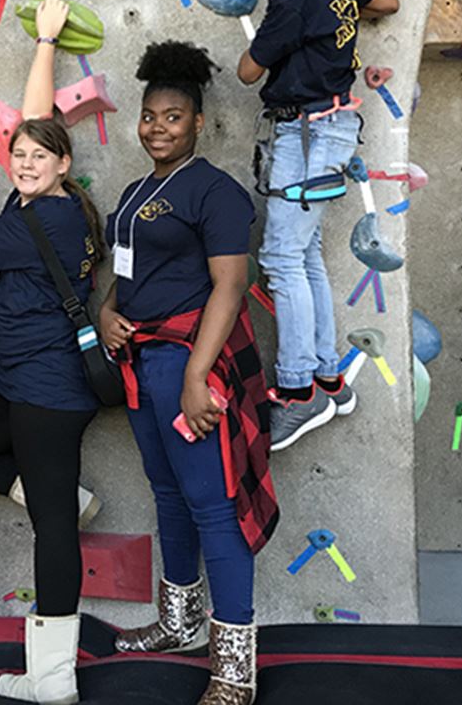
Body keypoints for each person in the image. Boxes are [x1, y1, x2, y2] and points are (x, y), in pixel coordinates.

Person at [100, 42, 278, 705]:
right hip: (140, 359)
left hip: (187, 361)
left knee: (213, 506)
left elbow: (230, 287)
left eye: (172, 117)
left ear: (197, 123)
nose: (157, 128)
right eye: (149, 116)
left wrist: (198, 377)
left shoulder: (215, 191)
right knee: (168, 496)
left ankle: (235, 666)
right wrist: (107, 312)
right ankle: (179, 625)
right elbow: (125, 272)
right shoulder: (134, 192)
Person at [0, 0, 105, 703]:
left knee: (52, 535)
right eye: (19, 157)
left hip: (48, 393)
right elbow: (33, 124)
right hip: (16, 384)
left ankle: (53, 677)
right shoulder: (35, 202)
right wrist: (44, 42)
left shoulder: (54, 218)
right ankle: (51, 493)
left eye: (41, 158)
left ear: (66, 165)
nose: (26, 163)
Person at [236, 0, 399, 450]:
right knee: (303, 256)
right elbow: (388, 2)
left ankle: (298, 391)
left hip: (305, 134)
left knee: (281, 257)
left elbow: (248, 70)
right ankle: (330, 377)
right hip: (332, 127)